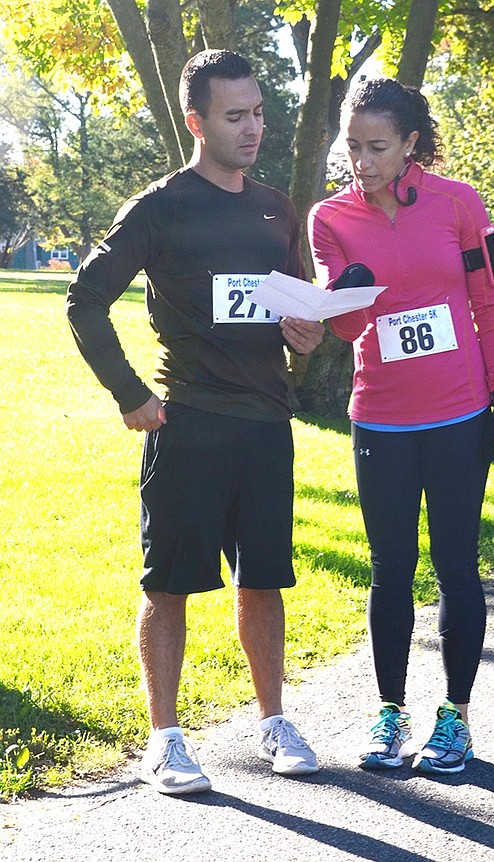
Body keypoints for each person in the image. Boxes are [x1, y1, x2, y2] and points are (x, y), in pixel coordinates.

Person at [67, 49, 324, 795]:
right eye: (235, 116)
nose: (253, 129)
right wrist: (128, 394)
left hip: (264, 423)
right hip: (186, 424)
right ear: (196, 122)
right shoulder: (160, 206)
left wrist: (300, 331)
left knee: (264, 582)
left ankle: (274, 721)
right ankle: (166, 739)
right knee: (171, 584)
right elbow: (85, 301)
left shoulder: (276, 207)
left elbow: (282, 307)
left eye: (259, 113)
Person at [308, 78, 494, 775]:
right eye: (352, 147)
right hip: (380, 416)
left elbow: (487, 305)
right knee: (389, 568)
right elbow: (342, 325)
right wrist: (348, 291)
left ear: (409, 144)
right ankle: (390, 711)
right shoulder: (330, 217)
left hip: (460, 412)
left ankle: (455, 718)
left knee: (457, 565)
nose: (362, 162)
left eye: (377, 147)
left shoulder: (458, 203)